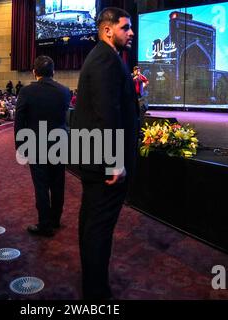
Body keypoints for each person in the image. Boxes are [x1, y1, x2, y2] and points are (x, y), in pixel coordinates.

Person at [73, 7, 139, 299]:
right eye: (126, 27)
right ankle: (96, 293)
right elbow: (106, 114)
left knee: (91, 223)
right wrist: (114, 162)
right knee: (98, 227)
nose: (131, 33)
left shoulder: (103, 56)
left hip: (94, 159)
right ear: (108, 29)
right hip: (103, 163)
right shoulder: (106, 60)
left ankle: (92, 284)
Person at [14, 56, 71, 237]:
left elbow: (19, 121)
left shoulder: (26, 91)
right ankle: (55, 219)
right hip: (60, 143)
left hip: (36, 144)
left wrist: (20, 147)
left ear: (34, 72)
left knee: (41, 185)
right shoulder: (65, 91)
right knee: (58, 183)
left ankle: (45, 224)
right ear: (53, 72)